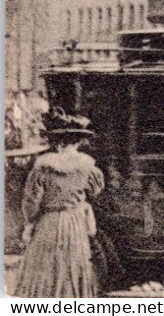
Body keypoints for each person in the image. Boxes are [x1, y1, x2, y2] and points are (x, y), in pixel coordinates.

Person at [16, 112, 105, 298]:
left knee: (46, 265)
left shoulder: (41, 168)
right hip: (75, 221)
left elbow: (31, 202)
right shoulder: (89, 168)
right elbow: (95, 191)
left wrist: (30, 221)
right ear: (79, 141)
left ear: (55, 141)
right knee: (73, 261)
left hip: (49, 221)